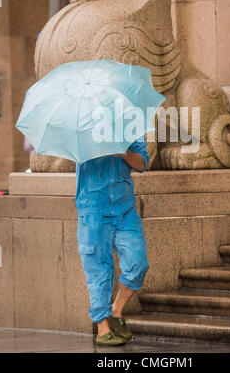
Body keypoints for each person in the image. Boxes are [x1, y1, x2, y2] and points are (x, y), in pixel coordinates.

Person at [75, 135, 150, 346]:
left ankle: (117, 309)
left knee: (138, 263)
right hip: (93, 209)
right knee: (98, 270)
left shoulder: (129, 123)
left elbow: (142, 163)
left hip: (124, 208)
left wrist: (123, 153)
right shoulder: (82, 127)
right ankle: (102, 328)